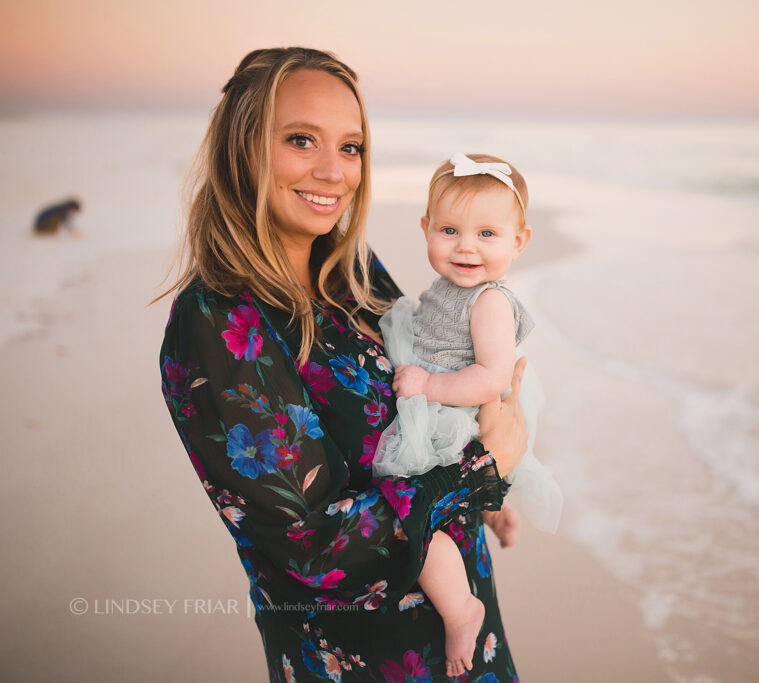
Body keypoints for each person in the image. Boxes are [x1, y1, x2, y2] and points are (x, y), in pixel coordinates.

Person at [157, 47, 529, 682]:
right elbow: (310, 546)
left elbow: (423, 408)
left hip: (466, 638)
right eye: (302, 140)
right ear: (241, 148)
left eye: (351, 148)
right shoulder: (220, 323)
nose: (333, 171)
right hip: (364, 659)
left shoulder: (352, 275)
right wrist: (483, 469)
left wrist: (485, 486)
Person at [372, 153, 562, 676]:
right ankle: (498, 510)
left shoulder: (491, 302)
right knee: (450, 496)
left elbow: (493, 376)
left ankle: (461, 610)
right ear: (425, 229)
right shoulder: (452, 290)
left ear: (518, 242)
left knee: (412, 508)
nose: (466, 246)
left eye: (487, 234)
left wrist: (429, 384)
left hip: (456, 411)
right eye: (450, 229)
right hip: (446, 401)